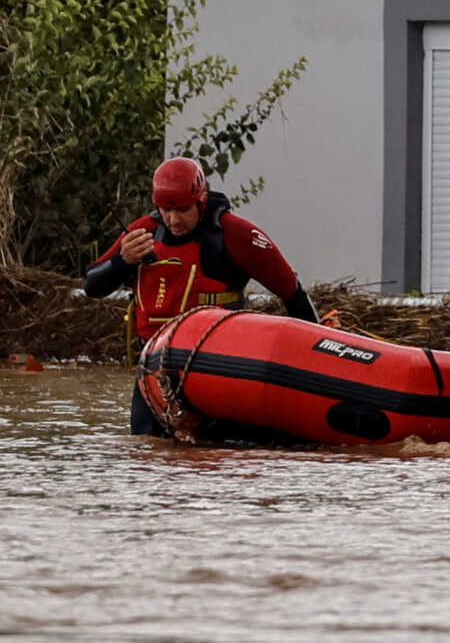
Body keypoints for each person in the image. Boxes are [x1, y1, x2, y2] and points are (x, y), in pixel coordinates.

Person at [86, 157, 318, 436]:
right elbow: (92, 285)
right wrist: (122, 261)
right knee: (146, 446)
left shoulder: (234, 234)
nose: (174, 220)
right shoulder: (144, 231)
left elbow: (291, 291)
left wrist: (314, 358)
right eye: (166, 210)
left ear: (201, 200)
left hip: (218, 364)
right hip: (156, 365)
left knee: (220, 447)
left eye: (183, 210)